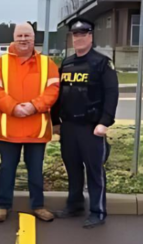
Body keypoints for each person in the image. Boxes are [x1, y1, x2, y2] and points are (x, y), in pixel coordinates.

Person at [0, 22, 60, 223]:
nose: (23, 39)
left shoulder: (48, 63)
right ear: (14, 37)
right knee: (7, 169)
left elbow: (52, 91)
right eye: (20, 35)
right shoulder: (0, 63)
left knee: (36, 171)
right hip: (8, 128)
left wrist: (33, 106)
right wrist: (14, 107)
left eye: (27, 35)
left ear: (33, 38)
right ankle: (3, 206)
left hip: (37, 130)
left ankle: (38, 206)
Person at [52, 18, 119, 229]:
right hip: (69, 126)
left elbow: (111, 94)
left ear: (91, 36)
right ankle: (75, 205)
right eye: (75, 34)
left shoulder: (101, 63)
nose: (79, 38)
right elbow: (58, 94)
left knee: (94, 171)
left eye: (83, 34)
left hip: (92, 127)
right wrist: (55, 121)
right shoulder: (67, 63)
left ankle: (98, 211)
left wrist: (105, 122)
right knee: (72, 168)